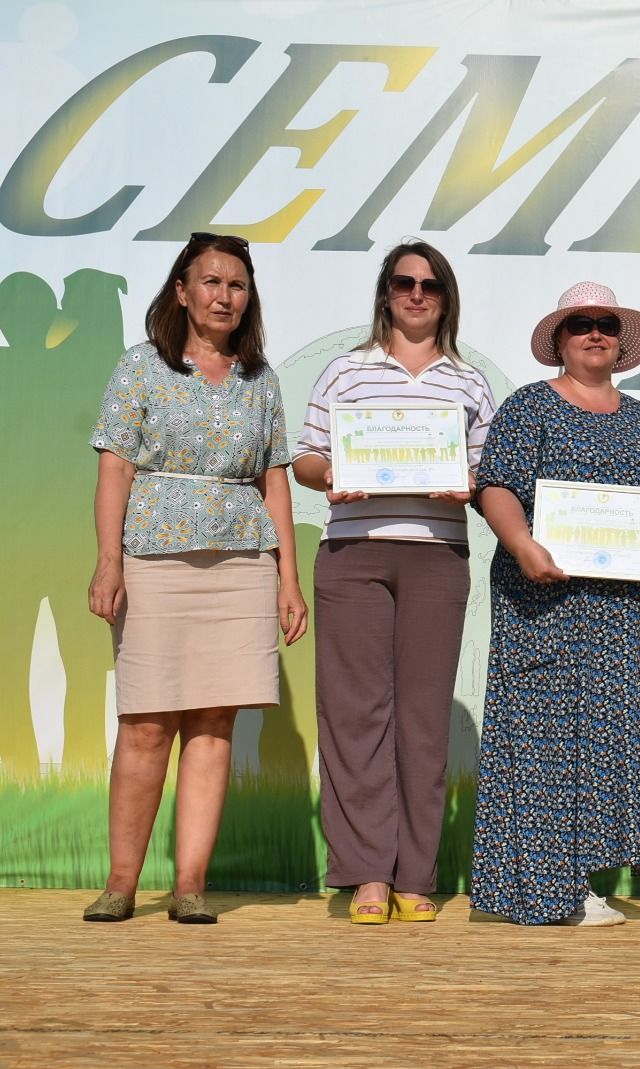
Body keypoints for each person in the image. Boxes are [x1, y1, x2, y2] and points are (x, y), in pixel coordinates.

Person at [83, 233, 307, 924]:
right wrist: (109, 560)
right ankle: (121, 883)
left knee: (213, 723)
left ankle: (190, 886)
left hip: (241, 562)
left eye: (236, 285)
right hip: (153, 559)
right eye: (210, 282)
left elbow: (275, 480)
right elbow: (115, 468)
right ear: (181, 290)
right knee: (146, 721)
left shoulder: (259, 379)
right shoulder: (140, 368)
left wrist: (287, 580)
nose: (223, 296)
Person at [470, 282, 640, 926]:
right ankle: (545, 890)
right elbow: (497, 488)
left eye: (606, 324)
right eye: (580, 324)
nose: (595, 333)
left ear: (620, 341)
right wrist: (522, 544)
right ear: (559, 341)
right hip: (546, 600)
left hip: (628, 614)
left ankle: (581, 881)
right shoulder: (529, 406)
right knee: (543, 736)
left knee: (611, 739)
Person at [292, 241, 497, 924]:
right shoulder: (346, 371)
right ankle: (366, 874)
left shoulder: (467, 383)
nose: (417, 294)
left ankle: (416, 874)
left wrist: (462, 482)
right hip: (353, 549)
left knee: (422, 718)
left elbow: (483, 476)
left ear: (447, 297)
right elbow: (308, 460)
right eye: (404, 282)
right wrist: (335, 474)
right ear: (385, 292)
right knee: (354, 716)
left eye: (430, 285)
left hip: (437, 553)